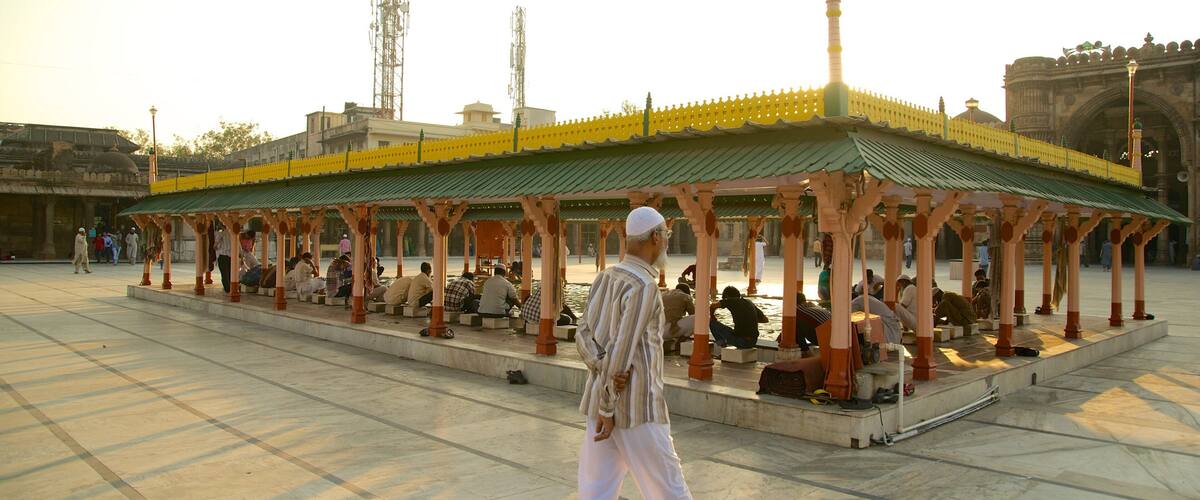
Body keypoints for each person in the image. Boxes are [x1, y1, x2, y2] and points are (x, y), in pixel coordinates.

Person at [575, 205, 690, 499]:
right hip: (637, 410)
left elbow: (582, 334)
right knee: (670, 491)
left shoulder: (605, 277)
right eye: (666, 235)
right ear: (655, 237)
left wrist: (599, 370)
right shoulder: (644, 286)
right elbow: (621, 354)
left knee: (596, 491)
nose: (666, 242)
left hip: (599, 403)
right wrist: (608, 409)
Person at [661, 283, 695, 347]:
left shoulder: (663, 295)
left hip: (657, 330)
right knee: (697, 318)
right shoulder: (686, 296)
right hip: (669, 330)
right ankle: (680, 342)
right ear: (687, 291)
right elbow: (693, 313)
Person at [215, 228, 232, 292]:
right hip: (231, 257)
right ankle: (231, 288)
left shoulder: (221, 233)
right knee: (230, 273)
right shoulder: (233, 234)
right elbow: (238, 246)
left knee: (224, 274)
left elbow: (215, 245)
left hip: (222, 256)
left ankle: (227, 289)